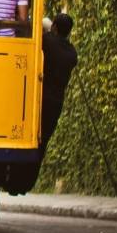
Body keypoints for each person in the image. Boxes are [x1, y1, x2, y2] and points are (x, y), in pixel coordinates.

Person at [40, 14, 78, 157]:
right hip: (56, 102)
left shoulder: (47, 41)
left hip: (39, 96)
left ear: (54, 27)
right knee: (43, 140)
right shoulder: (72, 54)